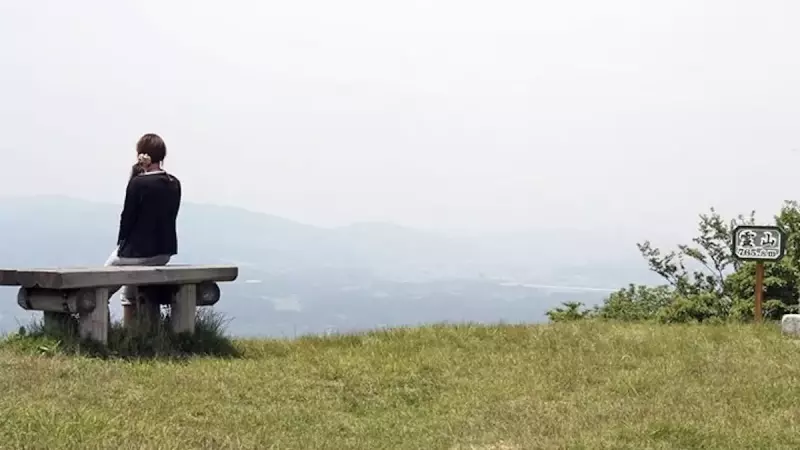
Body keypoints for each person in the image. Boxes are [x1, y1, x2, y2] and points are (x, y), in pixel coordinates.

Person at [105, 133, 182, 325]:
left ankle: (104, 334)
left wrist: (122, 245)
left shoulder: (139, 183)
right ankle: (140, 333)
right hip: (164, 252)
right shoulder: (174, 183)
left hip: (137, 252)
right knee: (130, 289)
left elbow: (127, 218)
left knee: (98, 287)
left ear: (142, 155)